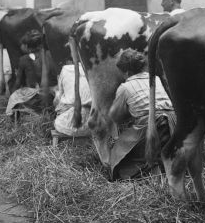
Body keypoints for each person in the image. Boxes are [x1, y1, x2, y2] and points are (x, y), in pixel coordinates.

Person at [108, 49, 176, 180]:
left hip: (151, 125)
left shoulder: (125, 87)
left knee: (119, 155)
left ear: (126, 72)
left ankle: (153, 171)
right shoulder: (155, 78)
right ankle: (168, 164)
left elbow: (115, 116)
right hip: (173, 122)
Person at [5, 29, 57, 116]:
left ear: (27, 46)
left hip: (38, 97)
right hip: (55, 93)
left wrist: (12, 93)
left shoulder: (24, 59)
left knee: (14, 96)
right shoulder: (51, 54)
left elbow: (18, 84)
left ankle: (14, 115)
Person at [53, 60, 92, 137]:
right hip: (92, 127)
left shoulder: (65, 70)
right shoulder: (94, 70)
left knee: (59, 101)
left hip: (67, 127)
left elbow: (57, 100)